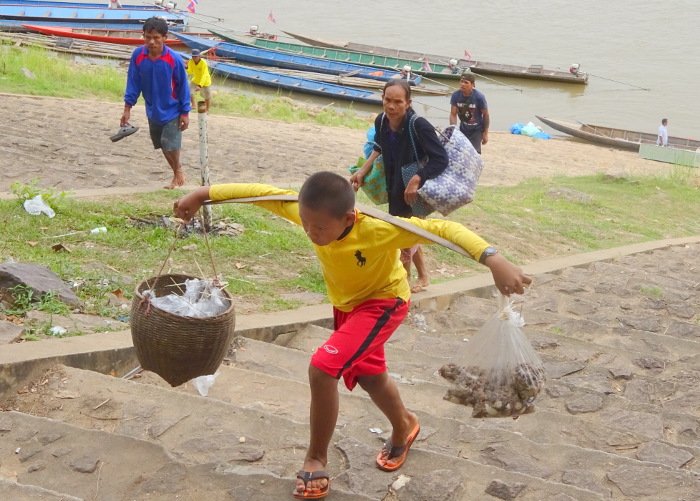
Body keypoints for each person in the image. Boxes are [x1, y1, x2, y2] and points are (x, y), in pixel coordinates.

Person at [172, 171, 532, 499]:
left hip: (383, 303)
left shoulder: (379, 228)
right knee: (371, 377)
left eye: (319, 229)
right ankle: (405, 425)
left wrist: (493, 258)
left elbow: (440, 231)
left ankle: (315, 458)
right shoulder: (307, 214)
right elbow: (260, 193)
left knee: (322, 367)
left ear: (348, 218)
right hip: (347, 308)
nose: (311, 233)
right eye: (306, 224)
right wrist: (202, 194)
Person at [350, 79, 449, 293]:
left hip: (416, 191)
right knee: (408, 231)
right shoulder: (381, 121)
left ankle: (401, 285)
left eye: (397, 102)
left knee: (403, 235)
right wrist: (362, 171)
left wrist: (417, 179)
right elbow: (379, 146)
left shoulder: (418, 125)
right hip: (395, 186)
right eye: (387, 100)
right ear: (382, 99)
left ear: (408, 102)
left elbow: (441, 159)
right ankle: (423, 276)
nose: (391, 106)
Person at [120, 16, 191, 190]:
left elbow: (183, 87)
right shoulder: (138, 55)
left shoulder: (173, 59)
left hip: (173, 108)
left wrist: (185, 112)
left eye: (156, 38)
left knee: (169, 142)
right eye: (147, 37)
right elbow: (133, 82)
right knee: (161, 144)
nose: (151, 42)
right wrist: (127, 108)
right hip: (152, 109)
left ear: (165, 38)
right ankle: (177, 170)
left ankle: (178, 172)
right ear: (143, 36)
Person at [449, 72, 489, 154]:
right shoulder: (456, 95)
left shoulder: (479, 97)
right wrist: (454, 130)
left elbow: (485, 115)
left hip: (477, 129)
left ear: (473, 84)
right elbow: (453, 114)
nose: (462, 84)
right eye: (461, 81)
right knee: (461, 151)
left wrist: (485, 134)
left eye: (466, 82)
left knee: (473, 153)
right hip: (463, 128)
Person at [186, 49, 213, 113]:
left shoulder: (203, 62)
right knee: (189, 91)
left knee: (207, 96)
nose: (194, 58)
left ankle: (207, 109)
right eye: (193, 56)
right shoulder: (191, 61)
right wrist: (186, 67)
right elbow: (190, 71)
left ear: (199, 56)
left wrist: (200, 85)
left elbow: (204, 75)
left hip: (205, 81)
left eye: (196, 56)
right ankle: (193, 105)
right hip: (196, 79)